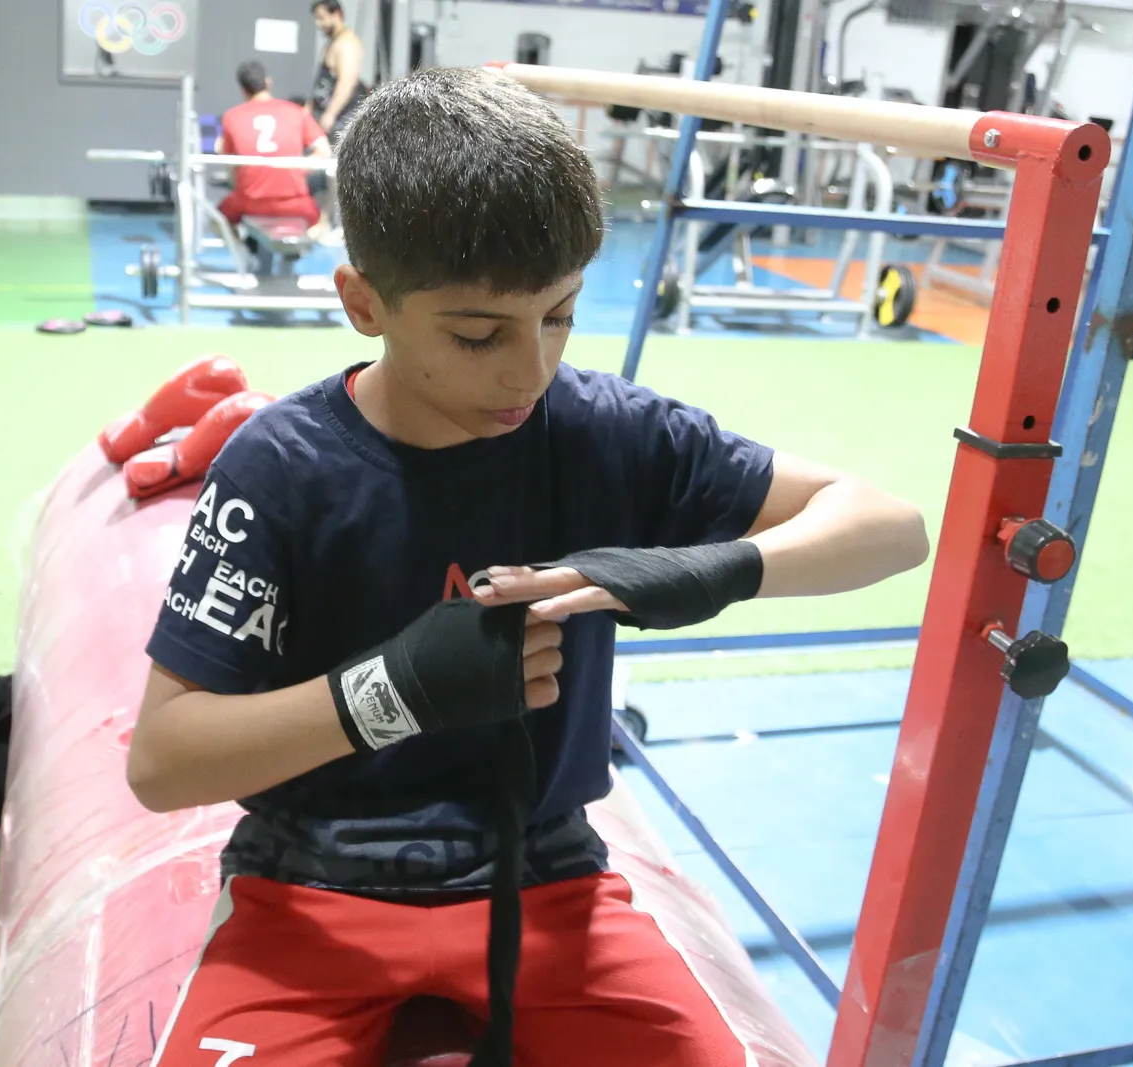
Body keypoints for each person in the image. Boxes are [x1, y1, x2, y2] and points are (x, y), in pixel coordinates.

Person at [130, 66, 930, 1067]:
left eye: (559, 314)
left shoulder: (601, 430)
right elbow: (162, 761)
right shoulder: (280, 466)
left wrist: (706, 569)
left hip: (544, 872)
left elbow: (890, 525)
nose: (529, 368)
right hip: (307, 880)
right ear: (364, 302)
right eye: (478, 335)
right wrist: (393, 691)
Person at [217, 60, 330, 229]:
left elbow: (227, 159)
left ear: (243, 90)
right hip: (295, 204)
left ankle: (238, 245)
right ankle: (301, 244)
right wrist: (298, 169)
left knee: (218, 218)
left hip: (250, 203)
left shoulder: (231, 116)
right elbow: (324, 150)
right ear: (268, 82)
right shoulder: (296, 112)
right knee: (321, 222)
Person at [309, 0, 368, 141]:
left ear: (336, 15)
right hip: (324, 115)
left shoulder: (346, 43)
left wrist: (330, 114)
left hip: (341, 120)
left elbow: (347, 82)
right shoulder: (333, 42)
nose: (318, 24)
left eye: (322, 18)